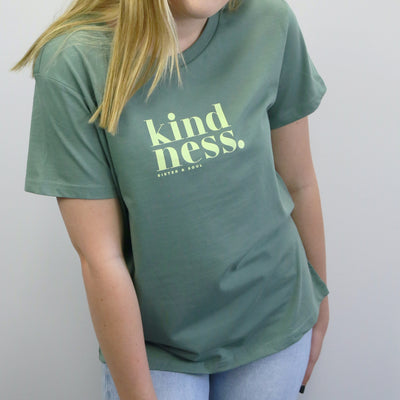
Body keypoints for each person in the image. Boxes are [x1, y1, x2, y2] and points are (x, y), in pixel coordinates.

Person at [12, 0, 330, 398]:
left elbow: (299, 181)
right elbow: (100, 258)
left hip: (276, 319)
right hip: (157, 346)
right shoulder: (73, 61)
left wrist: (320, 303)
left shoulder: (267, 20)